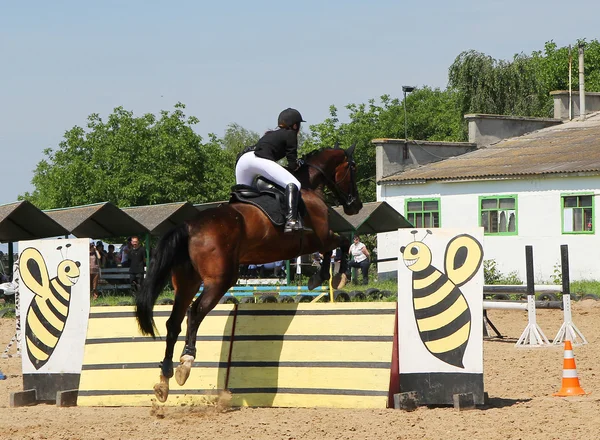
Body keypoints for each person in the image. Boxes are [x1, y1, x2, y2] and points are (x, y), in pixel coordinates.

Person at [235, 108, 306, 233]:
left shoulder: (270, 134)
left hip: (244, 161)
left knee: (242, 196)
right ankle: (291, 221)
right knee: (295, 184)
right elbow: (292, 164)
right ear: (295, 125)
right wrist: (299, 163)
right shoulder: (291, 134)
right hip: (258, 161)